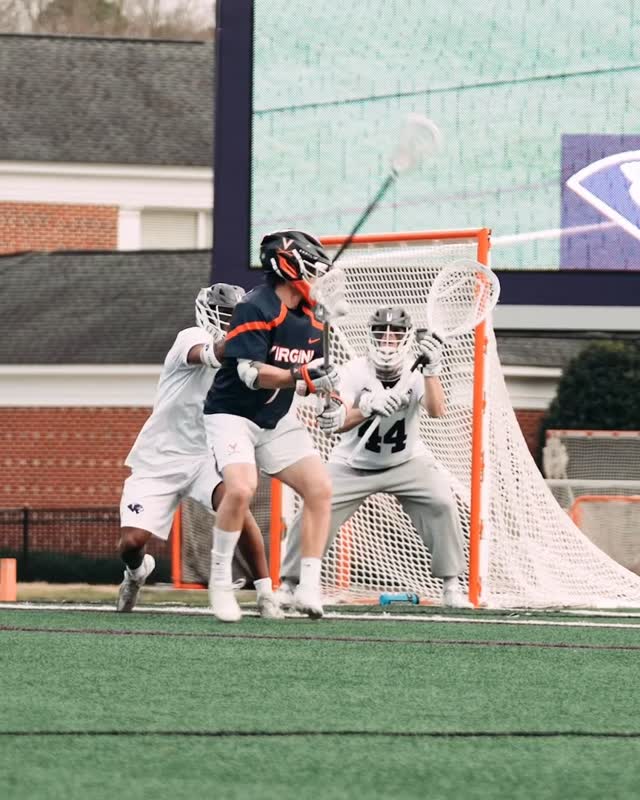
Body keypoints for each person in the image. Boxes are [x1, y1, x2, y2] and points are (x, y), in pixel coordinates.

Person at [278, 305, 472, 609]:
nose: (388, 339)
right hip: (352, 464)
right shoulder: (353, 372)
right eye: (382, 333)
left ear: (406, 337)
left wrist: (432, 371)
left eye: (395, 333)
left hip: (406, 461)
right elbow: (334, 423)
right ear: (371, 335)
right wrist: (367, 407)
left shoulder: (416, 371)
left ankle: (451, 586)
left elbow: (437, 411)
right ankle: (290, 584)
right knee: (313, 508)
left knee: (442, 503)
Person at [117, 283, 283, 619]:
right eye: (225, 314)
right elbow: (211, 354)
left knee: (236, 501)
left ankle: (266, 592)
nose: (229, 320)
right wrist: (247, 337)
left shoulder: (246, 357)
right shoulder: (191, 337)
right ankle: (136, 573)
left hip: (204, 457)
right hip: (159, 458)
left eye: (235, 316)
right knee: (132, 542)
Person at [203, 229, 340, 622]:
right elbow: (250, 374)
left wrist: (331, 399)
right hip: (233, 415)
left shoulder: (314, 316)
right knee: (241, 488)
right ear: (289, 266)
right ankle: (219, 582)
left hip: (275, 418)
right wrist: (301, 377)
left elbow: (317, 371)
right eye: (313, 270)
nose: (318, 278)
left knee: (319, 488)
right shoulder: (254, 306)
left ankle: (308, 586)